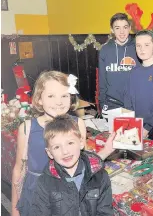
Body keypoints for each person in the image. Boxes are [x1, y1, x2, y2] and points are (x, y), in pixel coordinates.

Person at [11, 71, 115, 216]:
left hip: (65, 198)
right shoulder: (27, 128)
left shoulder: (78, 124)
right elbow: (18, 170)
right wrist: (15, 210)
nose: (58, 102)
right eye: (51, 96)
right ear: (39, 99)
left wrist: (105, 151)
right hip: (35, 197)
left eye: (64, 96)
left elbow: (83, 162)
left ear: (71, 98)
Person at [30, 115, 113, 216]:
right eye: (57, 147)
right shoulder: (44, 182)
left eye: (70, 143)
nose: (65, 151)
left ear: (81, 143)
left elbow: (105, 212)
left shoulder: (100, 176)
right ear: (49, 153)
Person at [124, 30, 153, 139]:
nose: (142, 49)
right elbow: (128, 99)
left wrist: (147, 127)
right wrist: (130, 122)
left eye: (146, 45)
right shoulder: (133, 71)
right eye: (138, 46)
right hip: (134, 125)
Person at [99, 13, 141, 111]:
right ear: (112, 30)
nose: (122, 32)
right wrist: (102, 104)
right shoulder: (105, 50)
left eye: (125, 27)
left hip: (135, 103)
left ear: (130, 28)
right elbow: (102, 80)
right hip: (111, 104)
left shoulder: (138, 47)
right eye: (117, 28)